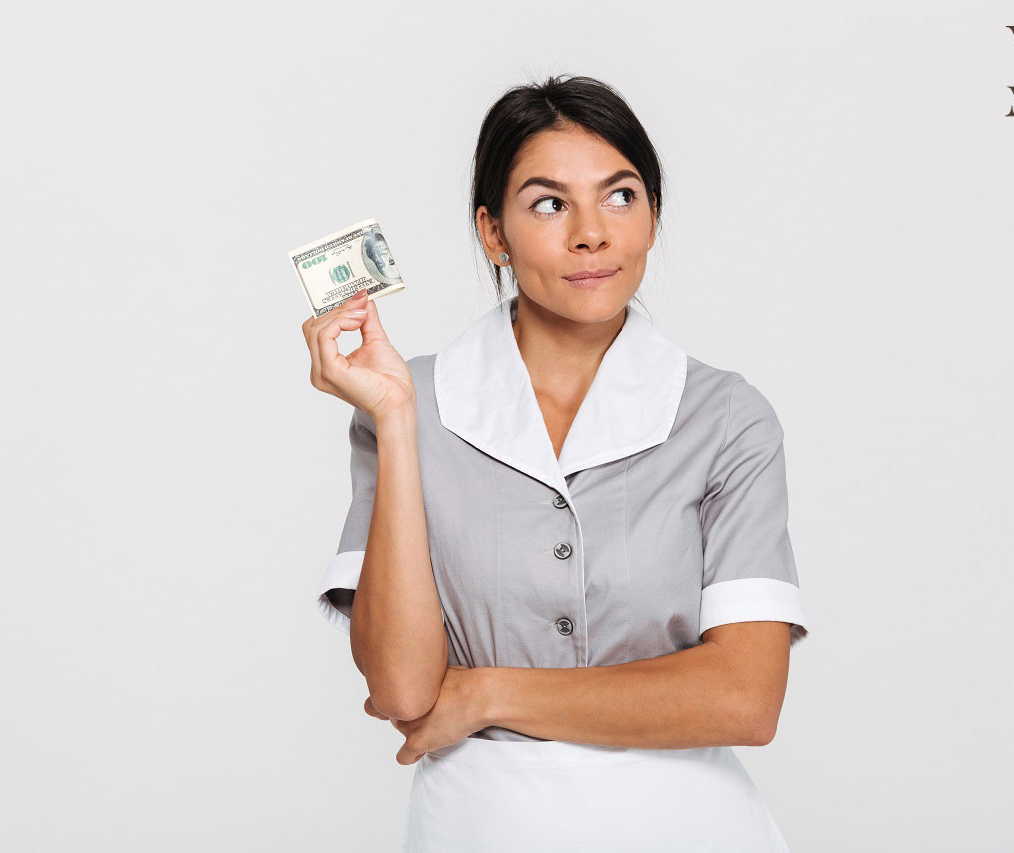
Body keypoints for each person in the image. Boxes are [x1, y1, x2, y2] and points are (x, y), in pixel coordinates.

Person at [301, 74, 809, 852]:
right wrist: (399, 420)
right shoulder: (408, 405)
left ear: (652, 217)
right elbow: (404, 689)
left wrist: (485, 692)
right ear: (492, 232)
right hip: (481, 829)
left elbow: (745, 697)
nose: (591, 233)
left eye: (620, 197)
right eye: (548, 203)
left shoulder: (727, 419)